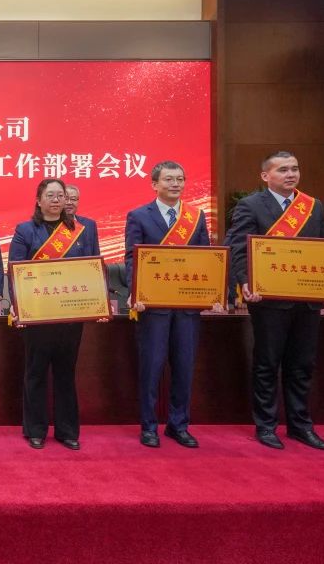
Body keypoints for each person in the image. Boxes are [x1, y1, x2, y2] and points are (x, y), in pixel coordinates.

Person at [226, 151, 324, 451]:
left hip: (307, 299)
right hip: (268, 300)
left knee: (302, 364)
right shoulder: (250, 205)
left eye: (295, 169)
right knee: (267, 363)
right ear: (265, 176)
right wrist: (245, 281)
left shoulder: (313, 206)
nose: (291, 174)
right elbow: (238, 247)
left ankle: (301, 425)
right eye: (283, 170)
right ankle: (266, 425)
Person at [124, 161, 216, 449]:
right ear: (155, 184)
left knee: (184, 367)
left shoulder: (196, 216)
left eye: (180, 179)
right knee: (151, 368)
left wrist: (211, 291)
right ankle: (149, 426)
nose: (175, 184)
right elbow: (132, 258)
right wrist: (136, 291)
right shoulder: (138, 216)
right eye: (168, 179)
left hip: (187, 305)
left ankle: (179, 425)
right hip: (152, 306)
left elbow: (206, 257)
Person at [9, 179, 102, 450]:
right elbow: (15, 270)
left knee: (66, 373)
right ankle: (35, 429)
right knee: (36, 372)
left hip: (70, 314)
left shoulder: (81, 230)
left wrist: (98, 302)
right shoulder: (26, 230)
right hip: (37, 313)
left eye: (60, 195)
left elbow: (94, 267)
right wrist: (18, 304)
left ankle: (67, 431)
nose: (56, 200)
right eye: (50, 195)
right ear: (39, 200)